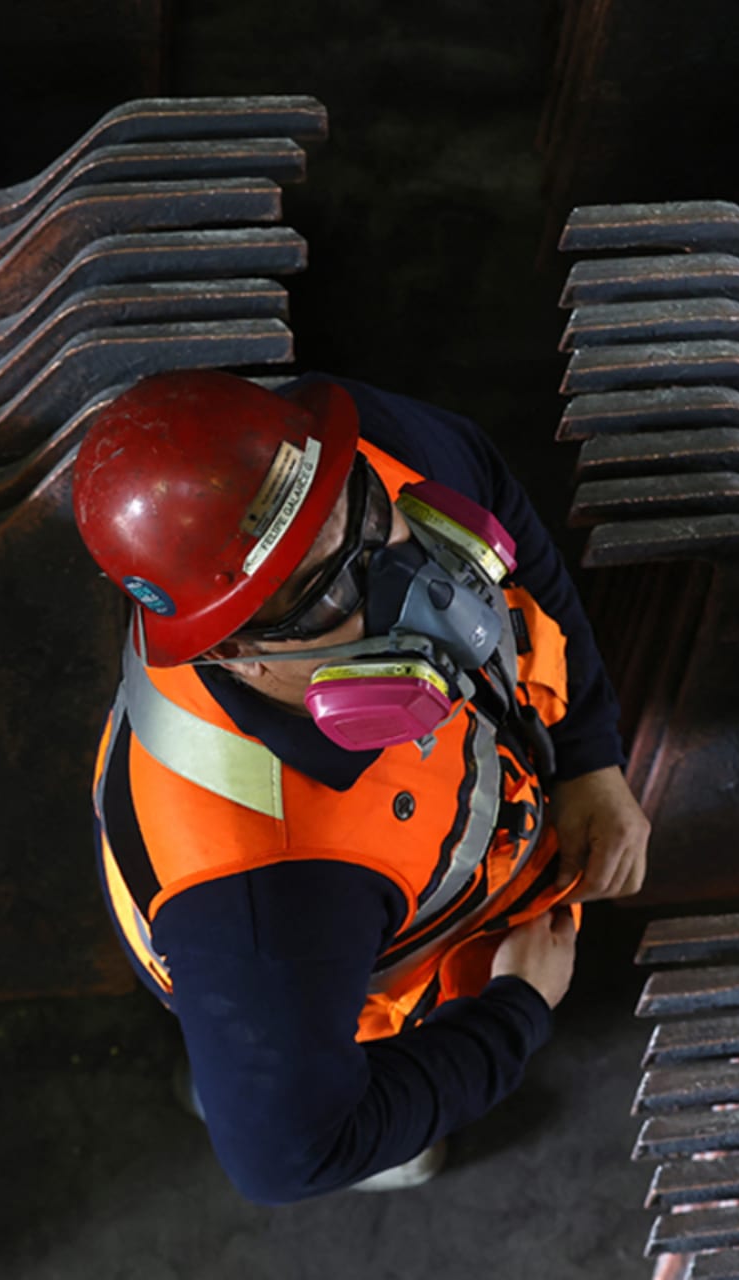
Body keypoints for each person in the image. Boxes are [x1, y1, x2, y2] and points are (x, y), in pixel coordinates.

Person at [71, 369, 650, 1203]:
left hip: (461, 857)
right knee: (293, 1093)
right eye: (324, 591)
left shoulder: (355, 447)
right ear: (234, 651)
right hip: (324, 976)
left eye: (366, 521)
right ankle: (249, 1075)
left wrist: (591, 754)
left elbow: (491, 488)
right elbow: (285, 1156)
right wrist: (513, 1011)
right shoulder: (261, 895)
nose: (405, 578)